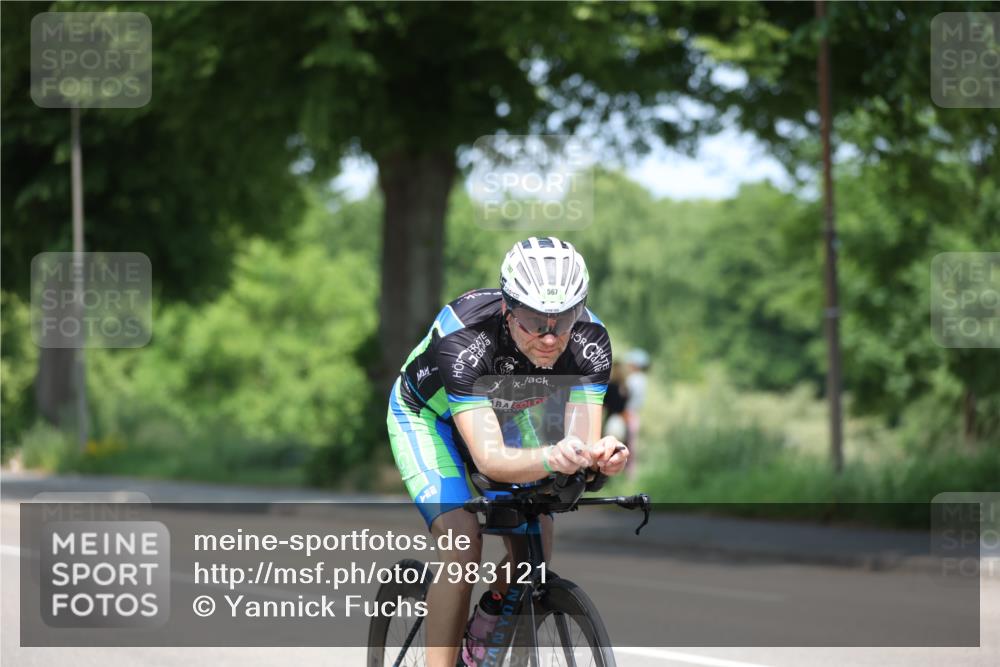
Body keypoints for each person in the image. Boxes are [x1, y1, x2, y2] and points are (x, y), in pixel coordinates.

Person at [387, 236, 630, 666]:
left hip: (505, 409)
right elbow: (490, 459)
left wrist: (599, 457)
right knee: (462, 545)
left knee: (538, 538)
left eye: (564, 318)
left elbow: (580, 446)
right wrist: (552, 457)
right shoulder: (463, 337)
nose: (551, 337)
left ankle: (487, 622)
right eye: (535, 321)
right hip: (428, 417)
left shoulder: (590, 340)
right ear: (508, 307)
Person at [623, 348, 650, 479]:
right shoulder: (642, 379)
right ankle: (629, 473)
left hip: (628, 413)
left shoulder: (633, 379)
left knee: (628, 445)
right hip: (634, 414)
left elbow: (626, 396)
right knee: (631, 443)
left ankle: (629, 474)